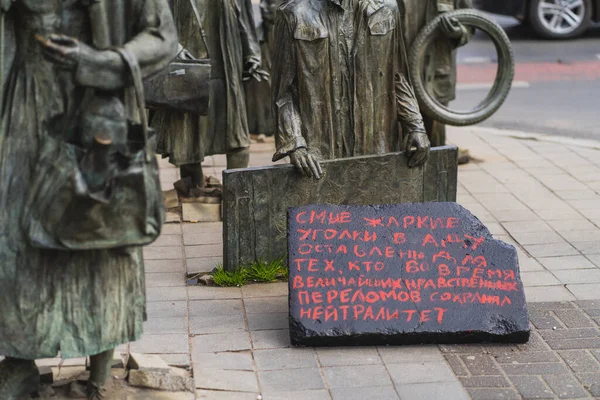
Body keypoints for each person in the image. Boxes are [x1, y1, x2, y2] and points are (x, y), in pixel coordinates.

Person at [0, 0, 177, 399]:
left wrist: (100, 63)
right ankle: (19, 359)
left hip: (94, 110)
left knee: (98, 232)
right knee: (14, 243)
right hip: (23, 111)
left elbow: (162, 38)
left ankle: (99, 373)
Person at [271, 0, 431, 179]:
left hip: (375, 143)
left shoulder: (387, 9)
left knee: (377, 204)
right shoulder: (294, 13)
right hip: (321, 149)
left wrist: (415, 125)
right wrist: (295, 144)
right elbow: (283, 92)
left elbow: (398, 76)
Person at [403, 0, 473, 148]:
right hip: (399, 78)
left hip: (436, 77)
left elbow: (471, 22)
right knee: (399, 143)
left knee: (435, 145)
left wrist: (459, 32)